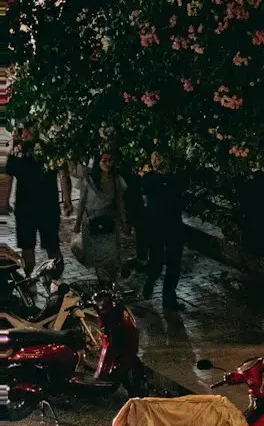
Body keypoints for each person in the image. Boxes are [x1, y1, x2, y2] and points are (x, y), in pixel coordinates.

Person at [7, 122, 64, 276]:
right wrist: (67, 200)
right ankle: (55, 280)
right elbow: (63, 173)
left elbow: (9, 178)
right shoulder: (49, 150)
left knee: (30, 247)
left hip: (28, 207)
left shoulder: (17, 152)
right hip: (46, 205)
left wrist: (5, 202)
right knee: (50, 246)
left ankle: (30, 280)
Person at [74, 151, 129, 285]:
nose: (108, 164)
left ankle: (110, 283)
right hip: (91, 221)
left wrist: (124, 221)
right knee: (97, 256)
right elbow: (81, 202)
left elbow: (119, 202)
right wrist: (77, 222)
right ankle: (103, 284)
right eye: (104, 160)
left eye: (110, 160)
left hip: (109, 221)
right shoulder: (88, 180)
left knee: (110, 255)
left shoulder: (116, 180)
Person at [140, 152, 186, 309]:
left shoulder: (176, 178)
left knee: (174, 263)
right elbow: (145, 201)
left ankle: (169, 297)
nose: (154, 162)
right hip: (156, 226)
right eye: (153, 158)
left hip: (174, 225)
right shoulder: (148, 179)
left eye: (158, 158)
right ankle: (150, 282)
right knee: (156, 261)